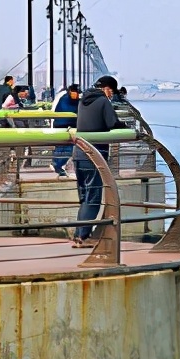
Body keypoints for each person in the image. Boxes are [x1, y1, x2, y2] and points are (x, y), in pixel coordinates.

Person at [72, 76, 119, 247]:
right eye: (111, 91)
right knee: (93, 198)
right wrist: (125, 127)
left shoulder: (83, 100)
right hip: (95, 154)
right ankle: (82, 237)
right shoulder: (103, 101)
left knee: (85, 197)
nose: (111, 95)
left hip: (79, 152)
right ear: (107, 88)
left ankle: (79, 234)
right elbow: (112, 123)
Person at [51, 84, 82, 176]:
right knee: (64, 147)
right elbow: (68, 112)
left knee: (67, 147)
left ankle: (57, 164)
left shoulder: (77, 101)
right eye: (75, 92)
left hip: (70, 127)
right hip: (62, 126)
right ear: (70, 92)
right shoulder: (64, 99)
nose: (76, 94)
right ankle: (57, 164)